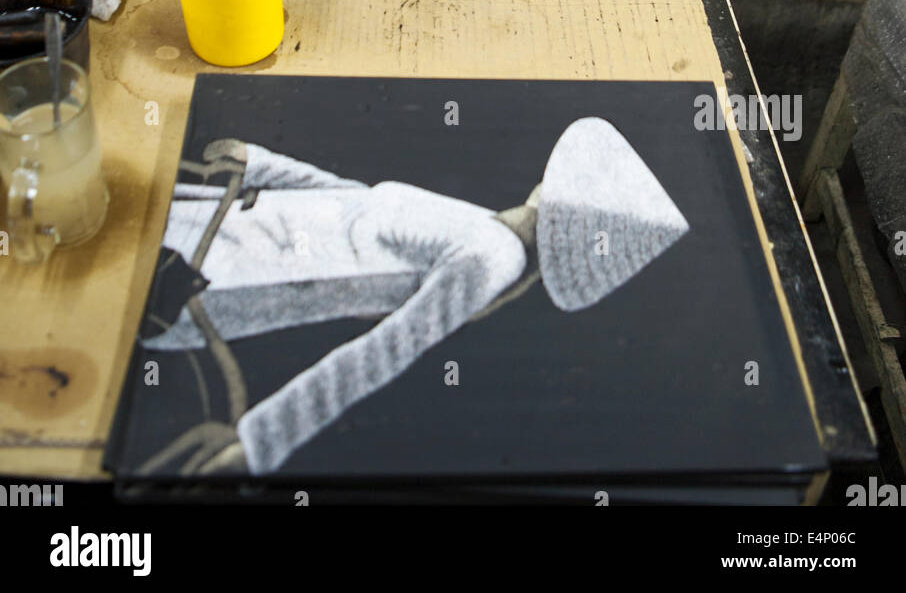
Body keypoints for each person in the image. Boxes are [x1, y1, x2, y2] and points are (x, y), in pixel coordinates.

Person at [138, 117, 689, 476]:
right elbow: (362, 204)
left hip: (215, 272)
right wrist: (263, 164)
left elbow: (382, 354)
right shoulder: (484, 226)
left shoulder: (491, 257)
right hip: (222, 217)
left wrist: (258, 444)